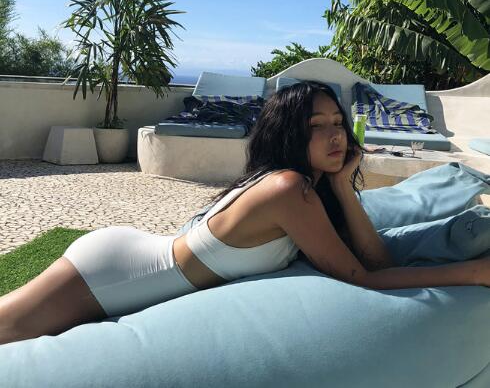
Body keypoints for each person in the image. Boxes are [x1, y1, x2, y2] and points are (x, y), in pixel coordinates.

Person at [1, 80, 489, 346]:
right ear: (288, 134)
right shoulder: (287, 187)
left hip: (136, 261)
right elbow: (362, 278)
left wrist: (342, 184)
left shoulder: (309, 187)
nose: (335, 135)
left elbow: (374, 260)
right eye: (316, 126)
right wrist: (471, 272)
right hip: (112, 274)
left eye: (338, 122)